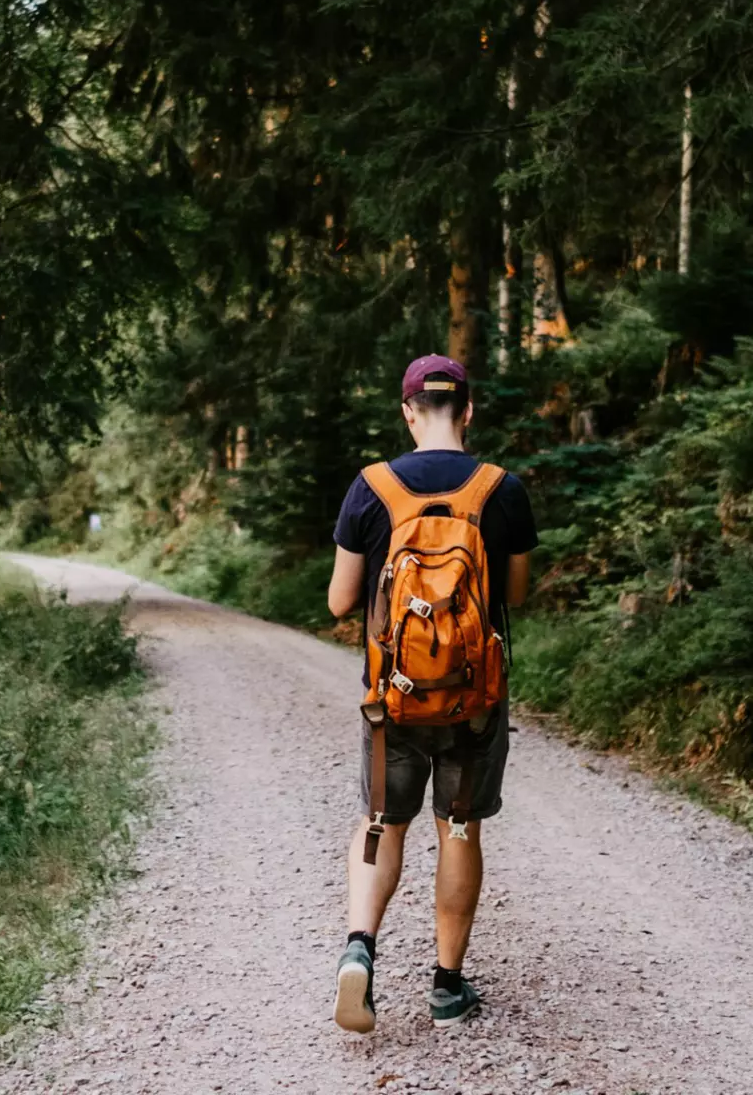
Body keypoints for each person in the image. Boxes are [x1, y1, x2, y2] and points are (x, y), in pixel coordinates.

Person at [327, 353, 536, 1032]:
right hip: (474, 701)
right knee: (457, 826)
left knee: (381, 820)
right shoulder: (501, 488)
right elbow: (513, 596)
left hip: (392, 699)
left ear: (407, 412)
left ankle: (359, 950)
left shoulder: (371, 487)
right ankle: (446, 988)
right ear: (468, 411)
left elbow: (338, 603)